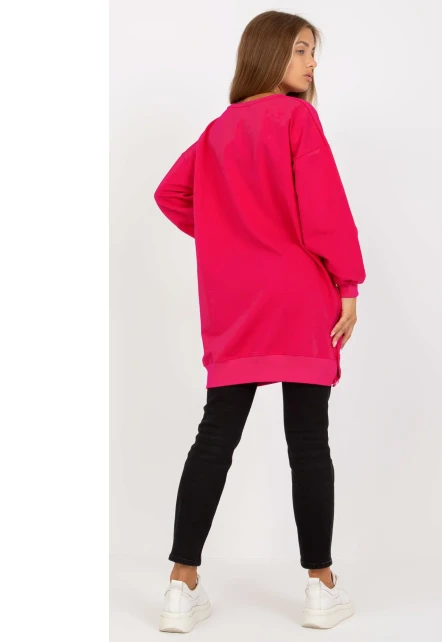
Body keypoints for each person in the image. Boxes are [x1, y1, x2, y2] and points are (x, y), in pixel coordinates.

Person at [152, 10, 365, 633]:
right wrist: (348, 285)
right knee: (309, 441)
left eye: (313, 51)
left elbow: (171, 194)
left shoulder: (218, 130)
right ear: (268, 54)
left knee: (215, 436)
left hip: (237, 305)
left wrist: (231, 239)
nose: (311, 62)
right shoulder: (298, 120)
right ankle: (321, 588)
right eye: (300, 50)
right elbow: (325, 212)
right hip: (300, 301)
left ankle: (180, 586)